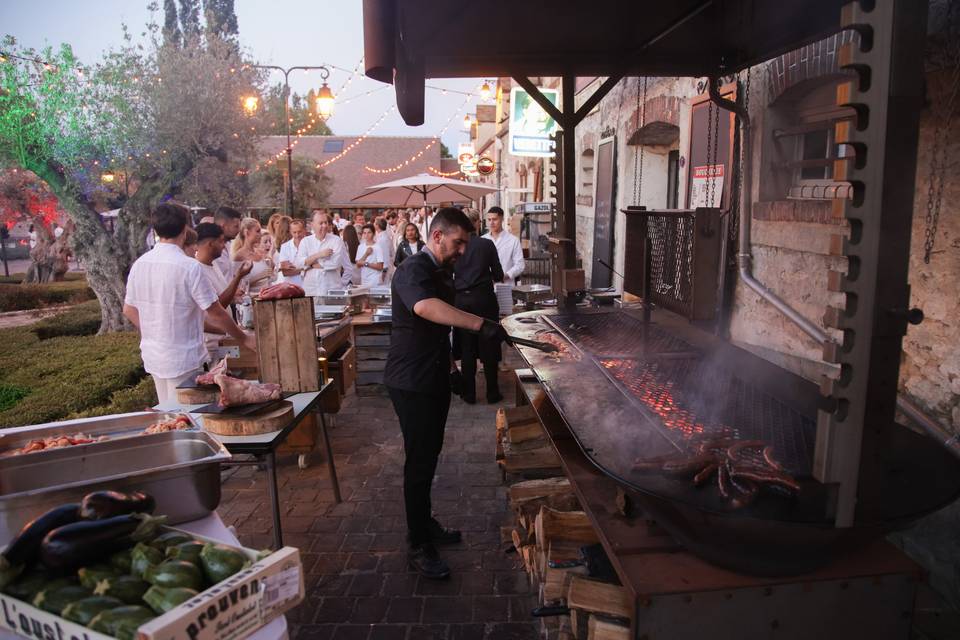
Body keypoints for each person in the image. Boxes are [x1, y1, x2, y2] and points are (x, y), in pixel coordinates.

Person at [384, 207, 508, 579]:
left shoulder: (441, 270)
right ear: (437, 236)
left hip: (434, 375)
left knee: (430, 456)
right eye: (458, 243)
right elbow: (425, 308)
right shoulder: (412, 269)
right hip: (410, 381)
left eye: (466, 245)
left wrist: (453, 369)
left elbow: (438, 332)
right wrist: (480, 324)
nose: (462, 251)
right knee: (419, 462)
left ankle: (426, 524)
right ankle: (418, 542)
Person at [123, 204, 255, 405]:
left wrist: (156, 329)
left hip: (154, 355)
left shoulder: (140, 264)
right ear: (186, 230)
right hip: (184, 358)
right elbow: (216, 312)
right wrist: (243, 338)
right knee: (188, 417)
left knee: (170, 416)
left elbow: (129, 310)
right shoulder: (189, 266)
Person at [453, 209, 505, 404]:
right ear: (476, 223)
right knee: (489, 344)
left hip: (462, 301)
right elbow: (498, 273)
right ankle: (492, 393)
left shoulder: (455, 246)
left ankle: (469, 393)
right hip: (484, 299)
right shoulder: (486, 244)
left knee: (467, 349)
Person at [193, 222, 253, 359]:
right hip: (211, 344)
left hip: (224, 338)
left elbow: (223, 295)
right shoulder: (197, 270)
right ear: (210, 244)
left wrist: (235, 291)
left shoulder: (213, 264)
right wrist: (238, 277)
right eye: (220, 242)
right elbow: (218, 305)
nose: (224, 246)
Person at [296, 210, 345, 297]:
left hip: (331, 289)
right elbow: (299, 264)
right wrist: (319, 255)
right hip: (311, 290)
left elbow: (335, 264)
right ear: (312, 224)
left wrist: (310, 265)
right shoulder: (305, 241)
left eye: (326, 222)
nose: (324, 226)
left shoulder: (336, 240)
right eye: (321, 223)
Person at [483, 206, 525, 285]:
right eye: (489, 220)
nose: (491, 223)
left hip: (506, 285)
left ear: (502, 219)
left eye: (494, 219)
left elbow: (520, 265)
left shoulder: (513, 240)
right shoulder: (483, 240)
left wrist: (505, 276)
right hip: (486, 287)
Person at [232, 218, 273, 297]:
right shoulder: (239, 256)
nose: (260, 234)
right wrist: (259, 277)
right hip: (249, 301)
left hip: (265, 299)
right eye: (257, 231)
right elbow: (236, 286)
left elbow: (269, 279)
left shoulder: (260, 253)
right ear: (247, 233)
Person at [212, 206, 243, 281]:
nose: (239, 230)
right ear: (223, 226)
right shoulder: (211, 250)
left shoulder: (229, 245)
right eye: (236, 226)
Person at [278, 218, 307, 286]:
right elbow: (285, 273)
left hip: (307, 286)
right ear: (290, 232)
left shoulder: (311, 244)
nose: (297, 235)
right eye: (294, 232)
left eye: (299, 232)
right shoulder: (285, 247)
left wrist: (295, 269)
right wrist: (304, 269)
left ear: (304, 230)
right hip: (291, 286)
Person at [375, 218, 395, 283]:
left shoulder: (382, 240)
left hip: (384, 271)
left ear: (377, 226)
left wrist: (384, 272)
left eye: (375, 223)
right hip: (384, 269)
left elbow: (385, 256)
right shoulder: (383, 237)